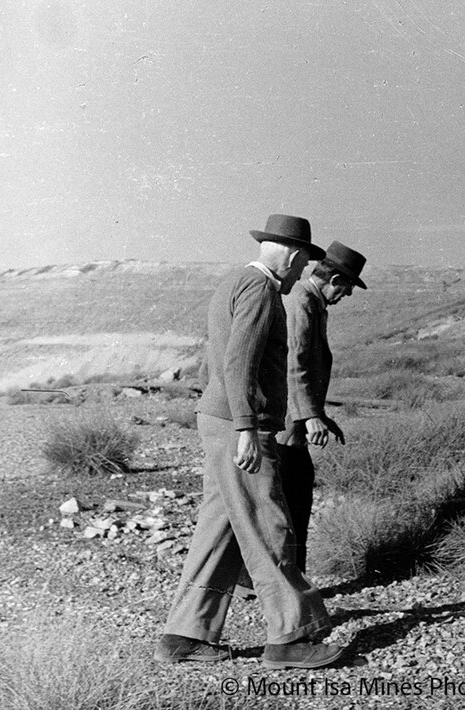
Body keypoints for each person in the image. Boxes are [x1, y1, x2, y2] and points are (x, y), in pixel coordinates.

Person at [155, 214, 344, 670]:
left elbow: (214, 361)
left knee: (219, 531)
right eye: (302, 265)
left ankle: (185, 634)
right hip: (243, 426)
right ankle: (290, 637)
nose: (301, 275)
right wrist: (245, 428)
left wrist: (224, 418)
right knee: (268, 525)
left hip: (219, 419)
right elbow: (239, 362)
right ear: (295, 255)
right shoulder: (261, 290)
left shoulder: (234, 282)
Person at [277, 240, 368, 573]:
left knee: (293, 489)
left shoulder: (311, 302)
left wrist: (320, 416)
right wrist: (311, 416)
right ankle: (283, 576)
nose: (347, 295)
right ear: (334, 280)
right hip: (285, 421)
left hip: (294, 419)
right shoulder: (301, 301)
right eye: (348, 288)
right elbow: (294, 365)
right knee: (291, 490)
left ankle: (285, 574)